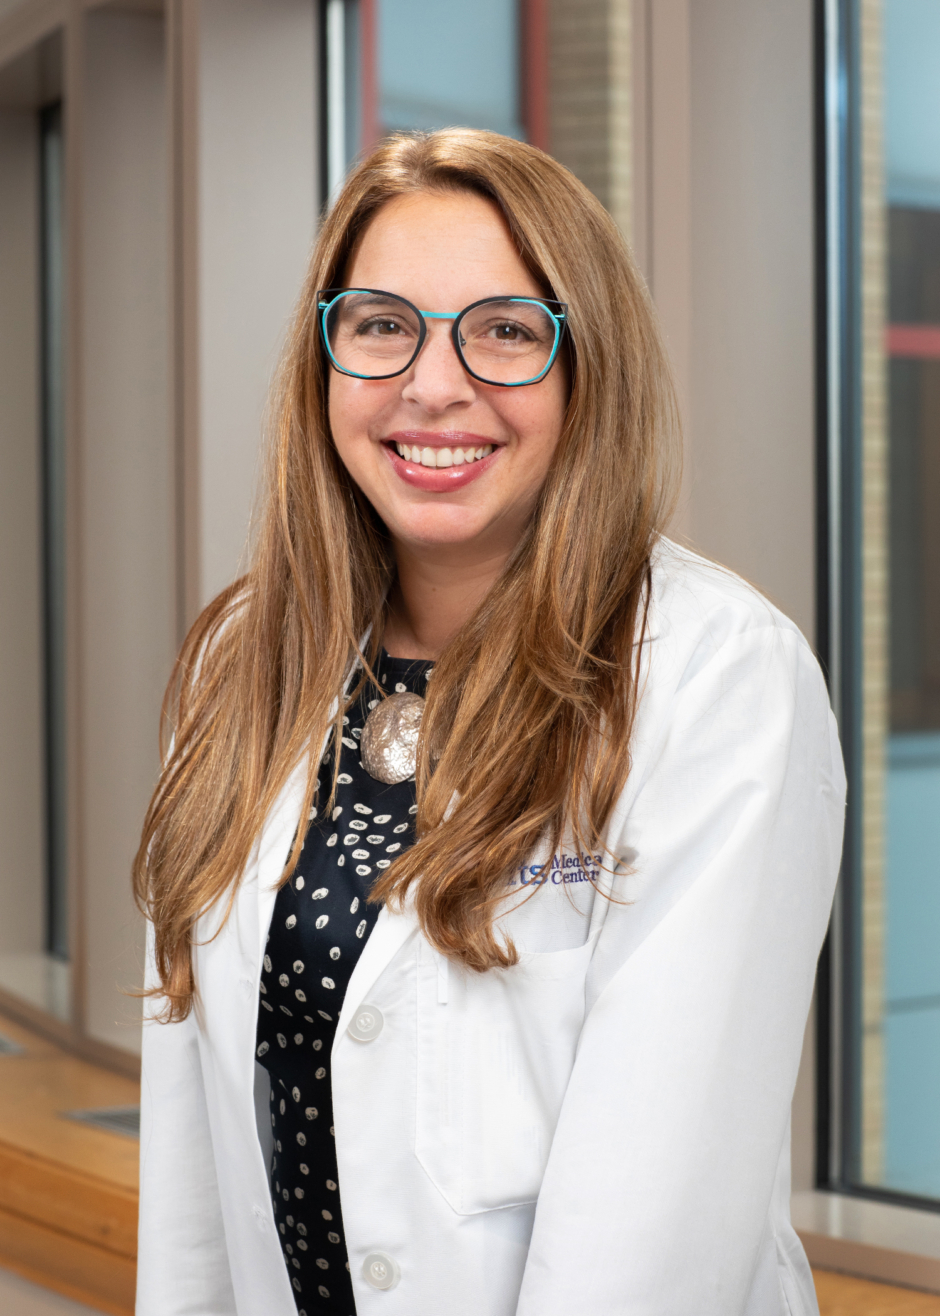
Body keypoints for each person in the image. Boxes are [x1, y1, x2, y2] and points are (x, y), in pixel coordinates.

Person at [133, 128, 845, 1316]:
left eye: (505, 330)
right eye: (381, 324)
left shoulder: (716, 678)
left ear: (586, 366)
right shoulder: (243, 658)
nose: (432, 384)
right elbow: (194, 1157)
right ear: (323, 358)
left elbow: (652, 1225)